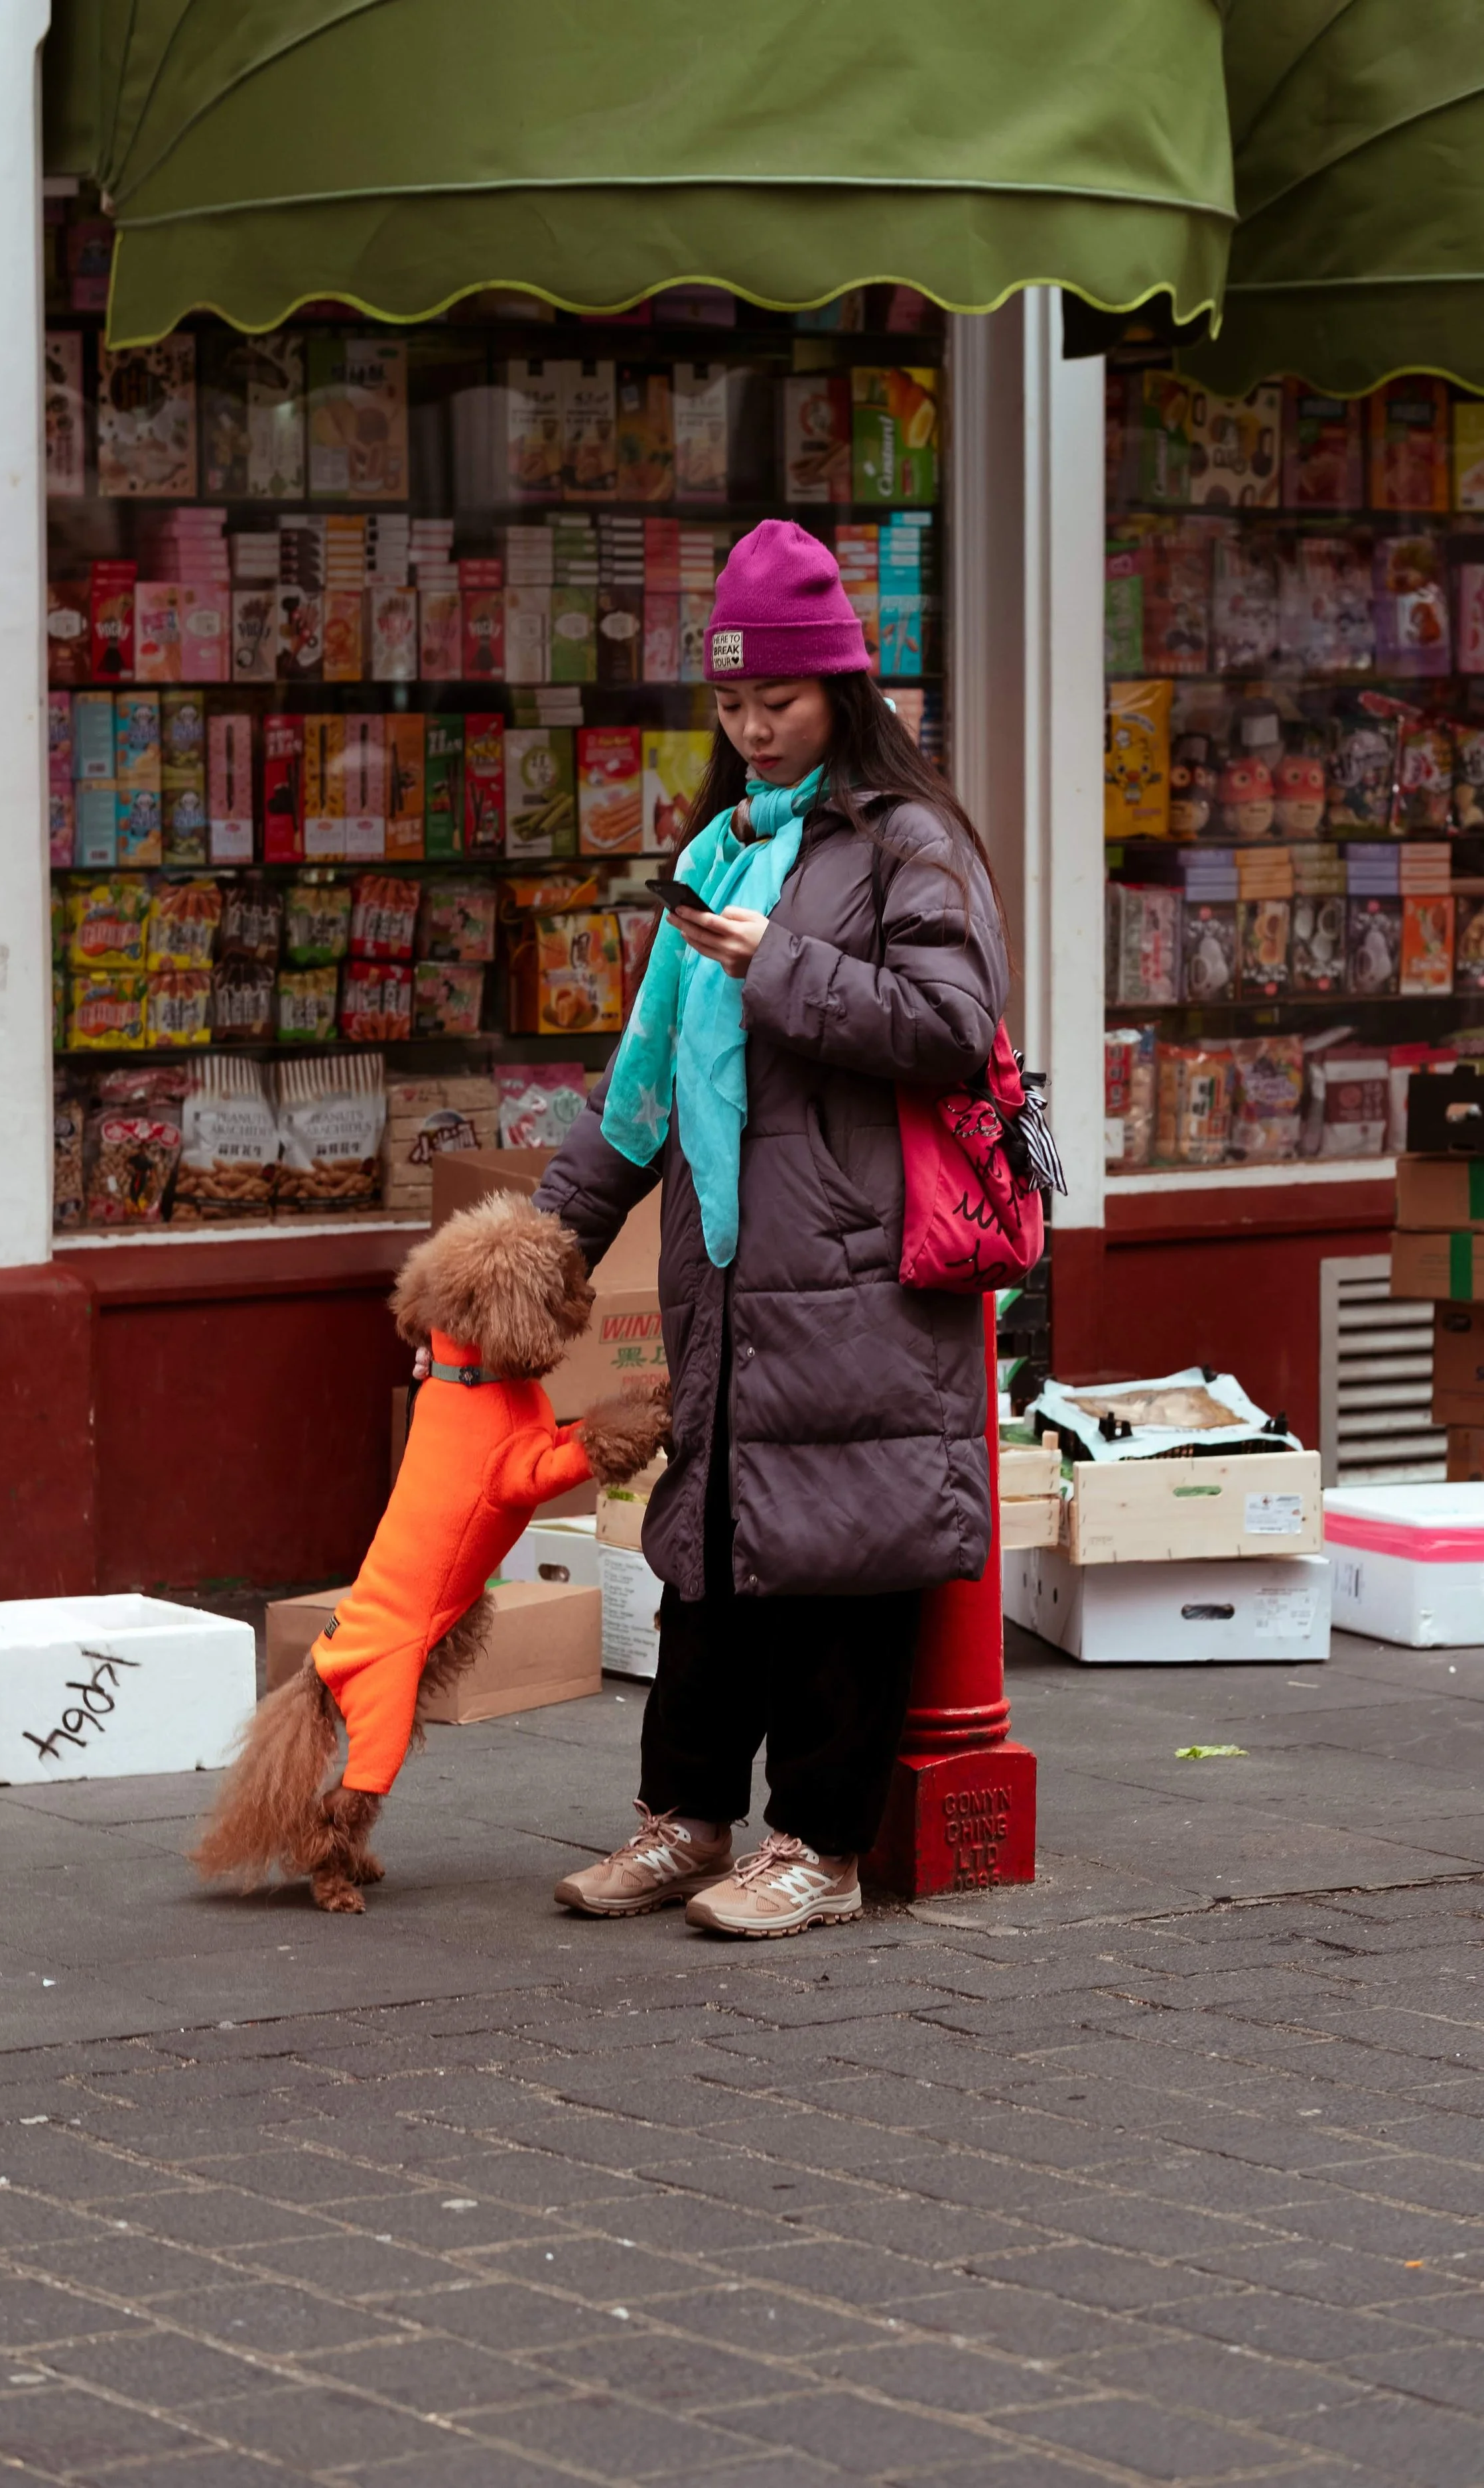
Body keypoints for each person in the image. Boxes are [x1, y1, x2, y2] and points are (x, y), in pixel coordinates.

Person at [539, 518, 1009, 1939]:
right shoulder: (717, 844)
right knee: (707, 1562)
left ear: (843, 694)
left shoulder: (906, 844)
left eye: (778, 702)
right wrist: (551, 1236)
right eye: (731, 705)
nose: (750, 729)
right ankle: (681, 1825)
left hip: (863, 1278)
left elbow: (951, 1026)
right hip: (733, 1281)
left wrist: (783, 966)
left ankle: (818, 1849)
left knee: (838, 1572)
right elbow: (641, 1073)